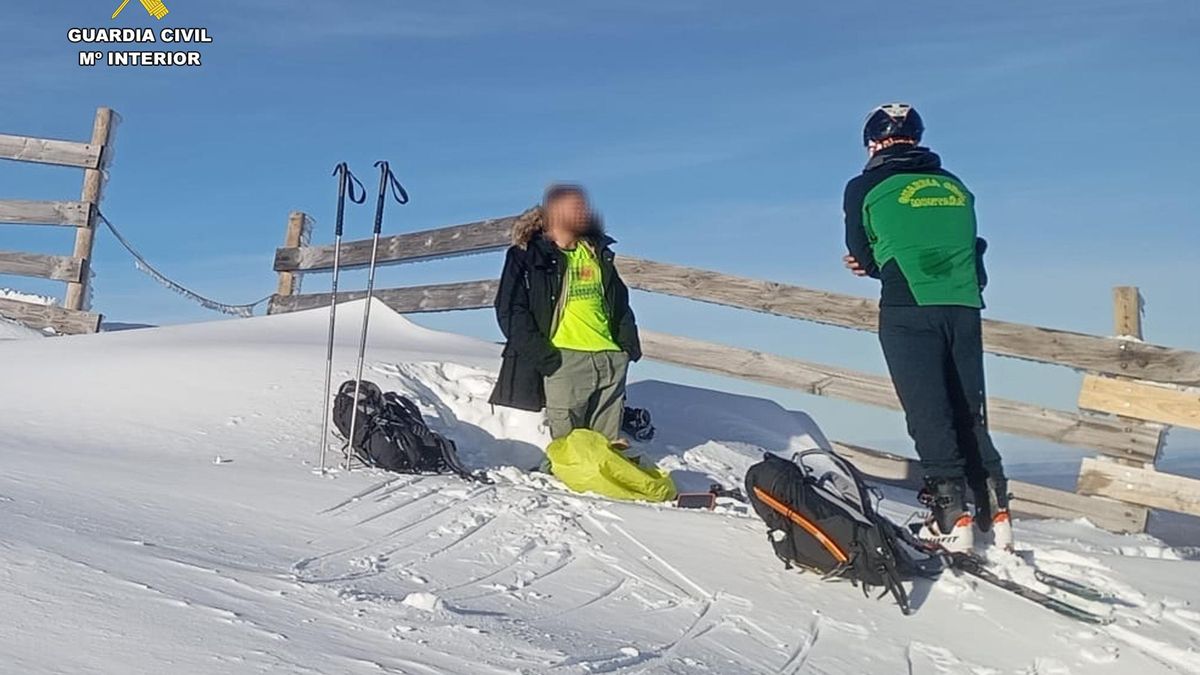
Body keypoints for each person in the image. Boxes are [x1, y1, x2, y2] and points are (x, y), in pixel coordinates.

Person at [842, 103, 1011, 552]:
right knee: (967, 407)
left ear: (873, 142)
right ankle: (995, 509)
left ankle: (950, 516)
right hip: (964, 304)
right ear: (916, 139)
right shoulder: (955, 185)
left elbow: (862, 250)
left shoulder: (865, 186)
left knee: (928, 410)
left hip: (908, 303)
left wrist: (875, 265)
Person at [489, 184, 642, 451]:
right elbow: (510, 309)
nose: (585, 213)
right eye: (575, 208)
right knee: (569, 451)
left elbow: (619, 302)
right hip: (564, 360)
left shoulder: (596, 252)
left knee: (607, 451)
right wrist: (546, 357)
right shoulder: (526, 255)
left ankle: (604, 491)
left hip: (610, 359)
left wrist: (626, 348)